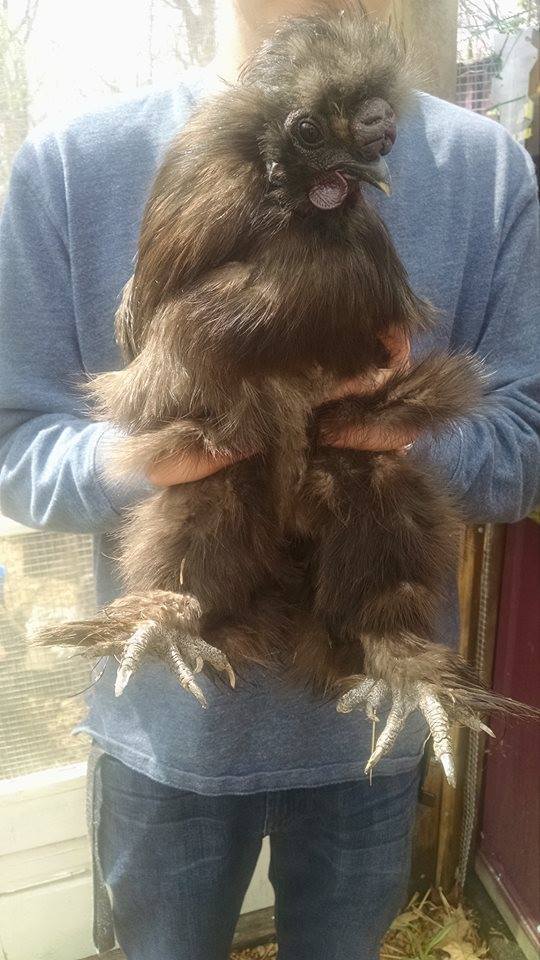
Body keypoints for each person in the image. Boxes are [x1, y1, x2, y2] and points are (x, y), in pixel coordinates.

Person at [0, 1, 539, 958]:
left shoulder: (488, 171)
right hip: (165, 713)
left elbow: (525, 447)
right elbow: (16, 445)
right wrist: (156, 455)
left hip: (375, 712)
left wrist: (387, 430)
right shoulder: (72, 164)